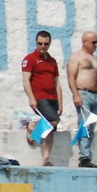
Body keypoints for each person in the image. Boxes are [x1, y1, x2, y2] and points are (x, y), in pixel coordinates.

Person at [20, 30, 63, 166]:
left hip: (52, 98)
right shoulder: (30, 59)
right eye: (40, 43)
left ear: (49, 44)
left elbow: (57, 83)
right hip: (40, 97)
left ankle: (46, 159)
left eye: (46, 44)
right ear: (36, 43)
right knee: (54, 120)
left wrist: (60, 102)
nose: (43, 46)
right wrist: (31, 98)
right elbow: (26, 80)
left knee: (50, 130)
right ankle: (33, 125)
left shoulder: (52, 61)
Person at [66, 31, 97, 168]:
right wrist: (75, 94)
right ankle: (83, 157)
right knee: (84, 125)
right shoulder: (76, 57)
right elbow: (71, 77)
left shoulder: (95, 59)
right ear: (85, 42)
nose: (96, 45)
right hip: (84, 93)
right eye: (94, 42)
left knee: (91, 127)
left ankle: (87, 156)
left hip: (96, 96)